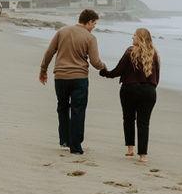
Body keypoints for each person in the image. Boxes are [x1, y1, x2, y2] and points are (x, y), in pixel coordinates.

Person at [39, 9, 107, 155]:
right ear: (89, 21)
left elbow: (49, 52)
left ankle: (64, 140)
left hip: (60, 77)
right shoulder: (90, 38)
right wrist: (104, 67)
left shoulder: (62, 31)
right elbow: (95, 62)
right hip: (79, 78)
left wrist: (43, 70)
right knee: (78, 110)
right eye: (94, 24)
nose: (94, 27)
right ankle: (75, 146)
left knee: (62, 107)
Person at [99, 28, 160, 162]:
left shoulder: (130, 52)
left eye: (134, 36)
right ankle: (143, 155)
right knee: (144, 123)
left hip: (129, 89)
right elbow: (157, 77)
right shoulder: (154, 54)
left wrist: (104, 72)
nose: (132, 38)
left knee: (128, 119)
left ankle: (130, 149)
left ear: (140, 38)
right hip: (148, 91)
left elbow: (118, 71)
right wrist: (150, 87)